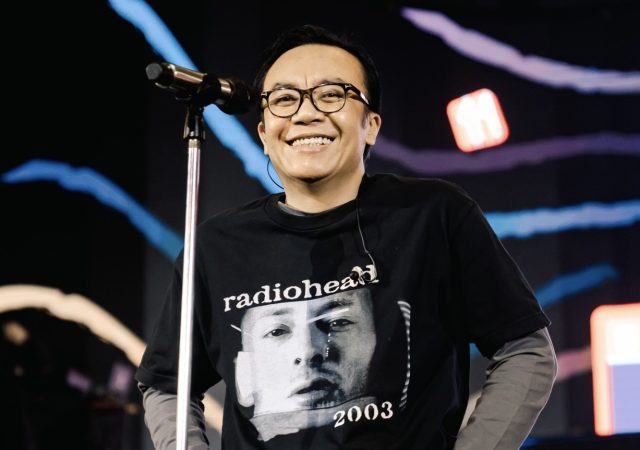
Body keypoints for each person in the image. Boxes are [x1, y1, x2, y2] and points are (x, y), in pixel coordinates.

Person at [136, 24, 557, 450]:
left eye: (331, 94)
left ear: (371, 125)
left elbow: (525, 350)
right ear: (263, 134)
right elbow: (167, 383)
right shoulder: (216, 246)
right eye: (284, 99)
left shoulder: (434, 214)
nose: (306, 113)